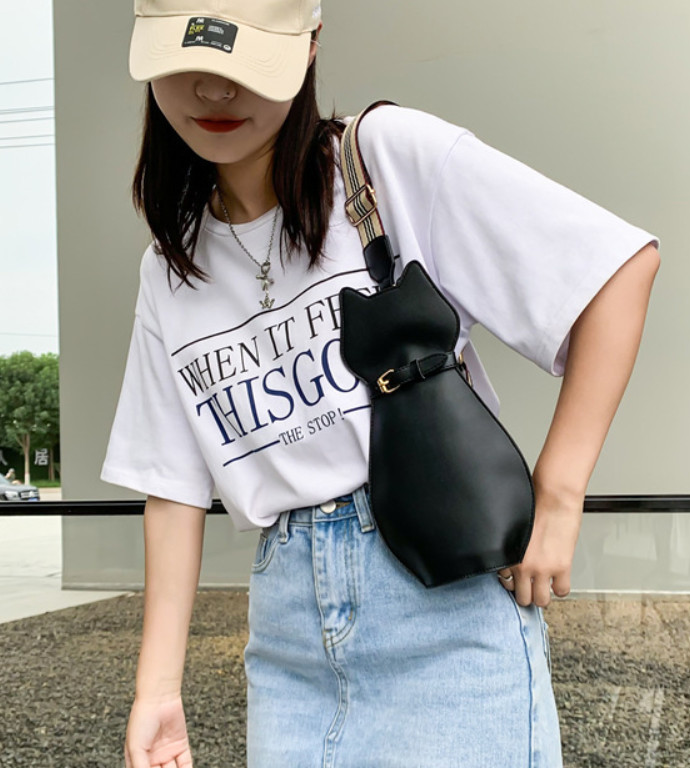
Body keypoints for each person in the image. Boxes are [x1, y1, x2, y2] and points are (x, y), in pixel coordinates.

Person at [102, 1, 660, 766]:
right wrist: (157, 692)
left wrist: (557, 497)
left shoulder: (383, 160)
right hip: (288, 644)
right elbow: (172, 488)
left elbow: (615, 270)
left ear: (309, 47)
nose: (213, 89)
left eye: (242, 61)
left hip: (443, 613)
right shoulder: (173, 265)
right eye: (186, 60)